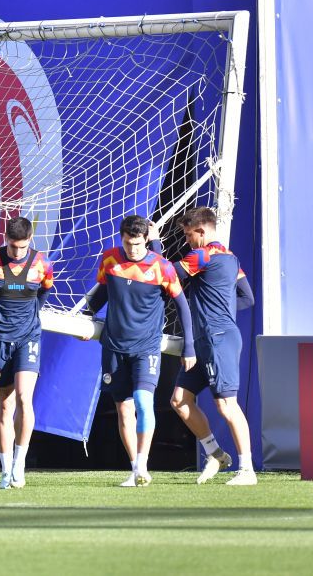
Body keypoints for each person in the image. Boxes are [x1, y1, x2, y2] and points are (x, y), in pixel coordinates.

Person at [86, 215, 196, 487]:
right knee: (124, 409)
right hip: (113, 347)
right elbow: (102, 294)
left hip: (145, 347)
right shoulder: (110, 259)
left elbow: (182, 306)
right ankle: (135, 469)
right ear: (121, 238)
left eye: (137, 243)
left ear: (146, 239)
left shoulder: (162, 267)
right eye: (127, 243)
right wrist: (85, 319)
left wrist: (189, 346)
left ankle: (144, 464)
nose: (132, 249)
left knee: (143, 401)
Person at [167, 207, 257, 486]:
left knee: (227, 405)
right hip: (206, 341)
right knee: (180, 401)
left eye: (188, 235)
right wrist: (221, 309)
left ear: (202, 231)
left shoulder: (202, 255)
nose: (186, 241)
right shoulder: (232, 259)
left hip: (218, 339)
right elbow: (247, 298)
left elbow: (167, 276)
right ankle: (216, 454)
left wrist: (155, 246)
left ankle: (247, 470)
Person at [0, 216, 53, 489]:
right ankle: (5, 470)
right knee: (4, 405)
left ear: (30, 241)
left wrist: (30, 315)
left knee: (23, 398)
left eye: (22, 247)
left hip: (28, 337)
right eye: (12, 246)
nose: (17, 252)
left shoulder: (41, 263)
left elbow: (44, 292)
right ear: (5, 240)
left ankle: (20, 465)